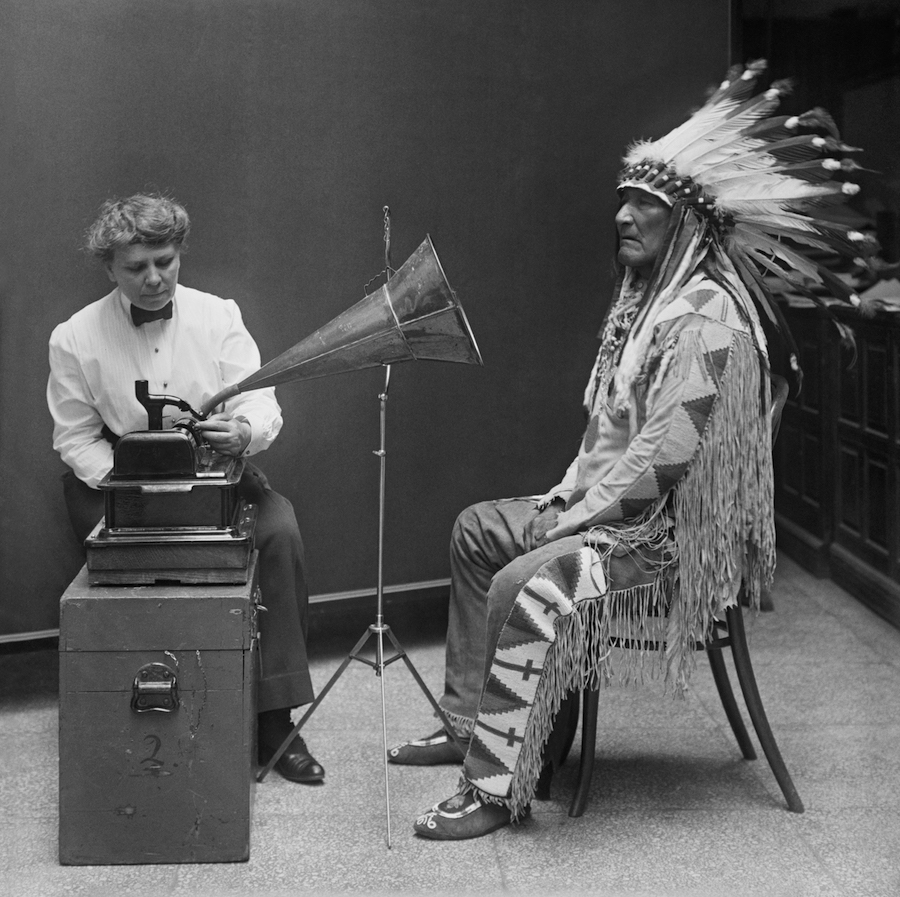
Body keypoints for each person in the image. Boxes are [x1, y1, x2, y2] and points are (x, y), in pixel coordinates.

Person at [392, 61, 874, 840]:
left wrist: (570, 517)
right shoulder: (650, 304)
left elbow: (662, 463)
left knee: (528, 575)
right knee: (479, 529)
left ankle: (494, 785)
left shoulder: (708, 319)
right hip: (615, 514)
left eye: (644, 203)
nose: (622, 214)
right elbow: (612, 435)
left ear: (686, 224)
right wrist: (565, 498)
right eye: (624, 197)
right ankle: (467, 721)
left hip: (660, 540)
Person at [47, 194, 325, 785]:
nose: (154, 279)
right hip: (118, 483)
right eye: (136, 268)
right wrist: (132, 480)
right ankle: (150, 712)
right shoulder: (72, 337)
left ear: (179, 256)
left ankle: (273, 719)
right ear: (109, 269)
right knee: (138, 561)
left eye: (165, 262)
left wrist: (244, 431)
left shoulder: (219, 315)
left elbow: (259, 398)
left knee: (278, 533)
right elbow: (73, 439)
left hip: (212, 468)